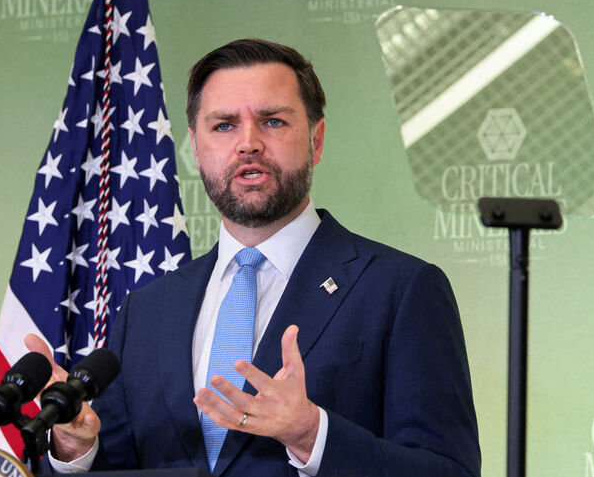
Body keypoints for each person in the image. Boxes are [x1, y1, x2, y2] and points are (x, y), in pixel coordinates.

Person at [26, 38, 481, 476]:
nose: (248, 143)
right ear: (197, 148)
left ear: (316, 140)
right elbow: (125, 467)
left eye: (273, 121)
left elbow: (449, 471)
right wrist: (75, 447)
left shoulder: (401, 290)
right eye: (224, 125)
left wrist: (311, 435)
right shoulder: (146, 310)